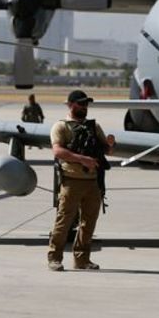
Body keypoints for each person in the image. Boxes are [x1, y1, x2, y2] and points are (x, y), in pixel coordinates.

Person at [49, 89, 115, 271]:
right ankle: (54, 258)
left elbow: (107, 151)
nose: (85, 107)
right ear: (70, 105)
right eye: (81, 103)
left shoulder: (94, 127)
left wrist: (110, 144)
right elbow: (57, 151)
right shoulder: (61, 126)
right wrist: (81, 159)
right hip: (71, 180)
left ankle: (82, 259)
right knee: (64, 221)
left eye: (86, 104)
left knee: (89, 222)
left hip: (92, 182)